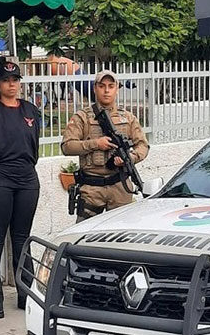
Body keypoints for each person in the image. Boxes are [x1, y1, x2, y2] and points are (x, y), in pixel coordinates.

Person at [0, 61, 41, 317]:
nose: (11, 84)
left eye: (15, 79)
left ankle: (27, 294)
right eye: (6, 80)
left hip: (26, 179)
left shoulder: (31, 110)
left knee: (23, 239)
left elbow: (33, 147)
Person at [61, 69, 149, 221]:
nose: (106, 90)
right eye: (102, 86)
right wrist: (95, 143)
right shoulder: (82, 117)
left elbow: (143, 145)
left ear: (117, 89)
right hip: (91, 188)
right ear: (95, 88)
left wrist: (131, 157)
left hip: (120, 186)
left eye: (111, 86)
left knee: (121, 237)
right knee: (85, 235)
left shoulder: (128, 118)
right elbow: (67, 146)